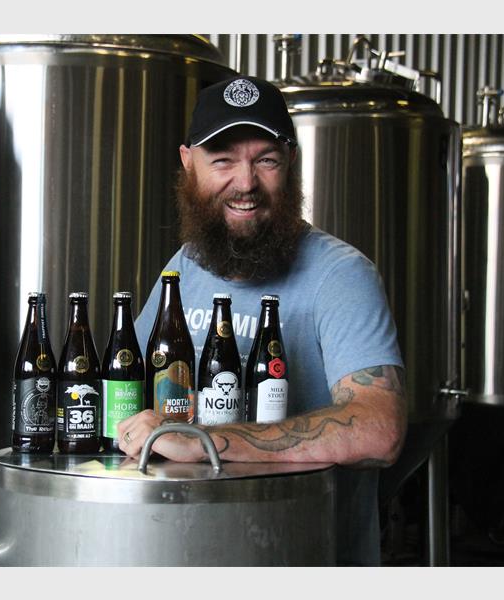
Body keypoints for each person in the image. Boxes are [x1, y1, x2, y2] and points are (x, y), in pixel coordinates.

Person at [118, 75, 407, 566]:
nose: (246, 183)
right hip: (184, 551)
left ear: (290, 161)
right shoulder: (184, 266)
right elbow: (127, 386)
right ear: (188, 162)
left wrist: (204, 441)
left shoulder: (340, 275)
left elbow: (380, 431)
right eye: (223, 160)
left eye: (265, 160)